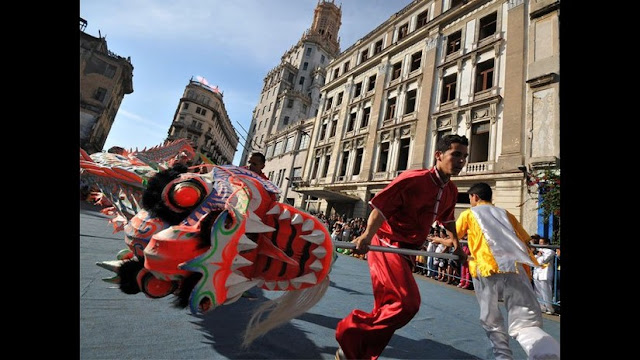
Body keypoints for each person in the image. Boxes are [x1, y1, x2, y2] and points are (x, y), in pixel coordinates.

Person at [334, 134, 469, 360]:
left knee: (388, 308)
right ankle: (350, 332)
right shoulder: (414, 179)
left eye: (464, 156)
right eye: (456, 155)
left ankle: (353, 354)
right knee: (407, 304)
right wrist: (367, 235)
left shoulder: (451, 191)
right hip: (388, 244)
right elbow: (381, 207)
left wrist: (455, 242)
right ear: (438, 155)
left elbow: (446, 219)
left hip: (407, 251)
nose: (461, 161)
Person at [455, 182, 560, 360]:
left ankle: (503, 357)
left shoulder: (468, 214)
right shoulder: (506, 214)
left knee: (491, 320)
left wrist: (438, 240)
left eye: (470, 198)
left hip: (487, 269)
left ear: (475, 197)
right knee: (526, 323)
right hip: (516, 269)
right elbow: (526, 240)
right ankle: (547, 354)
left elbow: (454, 238)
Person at [533, 237, 556, 314]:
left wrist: (539, 255)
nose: (540, 244)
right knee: (538, 292)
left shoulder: (550, 251)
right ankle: (541, 307)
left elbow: (544, 260)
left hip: (545, 274)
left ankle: (549, 308)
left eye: (542, 242)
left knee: (546, 292)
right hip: (537, 273)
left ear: (546, 243)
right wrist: (538, 255)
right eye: (539, 242)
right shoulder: (538, 252)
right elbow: (534, 260)